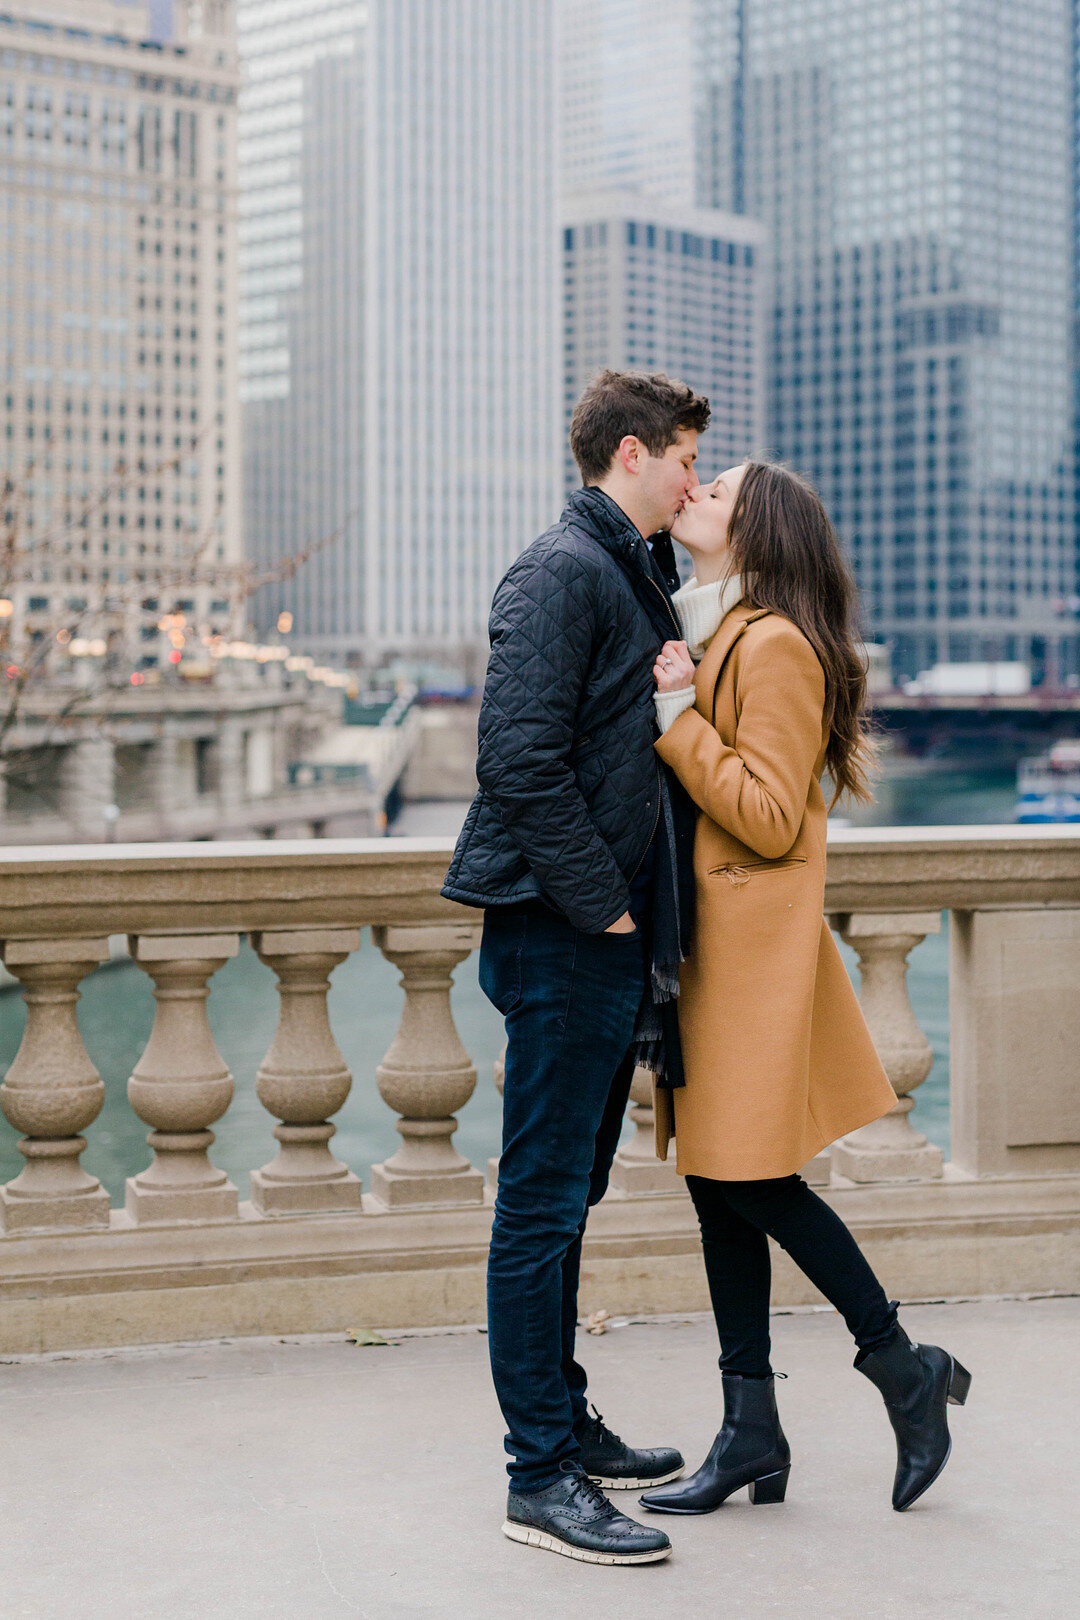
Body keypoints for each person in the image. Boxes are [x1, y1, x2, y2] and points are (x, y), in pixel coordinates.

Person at [638, 460, 972, 1519]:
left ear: (760, 527)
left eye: (718, 490)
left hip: (746, 958)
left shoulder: (773, 644)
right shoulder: (719, 625)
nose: (696, 493)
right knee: (715, 1178)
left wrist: (680, 717)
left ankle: (901, 1364)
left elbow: (773, 817)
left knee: (752, 1180)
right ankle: (752, 1432)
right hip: (708, 954)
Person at [442, 370, 708, 1565]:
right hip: (563, 935)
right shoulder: (559, 570)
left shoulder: (631, 573)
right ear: (634, 453)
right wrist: (604, 909)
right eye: (688, 460)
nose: (696, 481)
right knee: (541, 1207)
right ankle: (537, 1475)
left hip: (603, 941)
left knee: (570, 1202)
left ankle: (565, 1427)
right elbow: (515, 761)